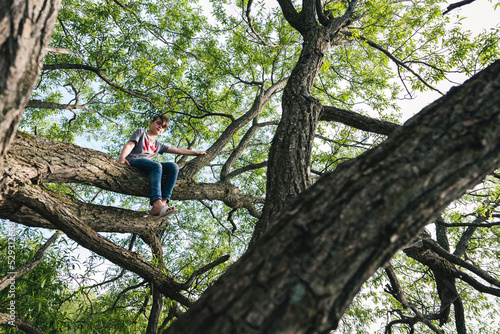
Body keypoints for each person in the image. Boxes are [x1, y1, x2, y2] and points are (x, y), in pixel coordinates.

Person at [118, 115, 206, 218]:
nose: (160, 127)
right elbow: (130, 144)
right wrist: (122, 158)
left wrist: (197, 153)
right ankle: (156, 203)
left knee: (173, 166)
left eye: (163, 127)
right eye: (158, 123)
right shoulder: (141, 133)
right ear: (151, 123)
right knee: (157, 165)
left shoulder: (158, 145)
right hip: (134, 161)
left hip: (148, 166)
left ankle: (163, 204)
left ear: (163, 131)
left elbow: (177, 150)